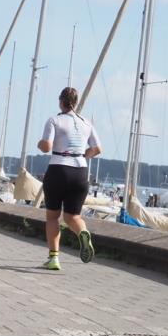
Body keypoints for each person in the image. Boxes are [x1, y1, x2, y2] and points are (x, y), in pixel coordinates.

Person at [36, 86, 102, 271]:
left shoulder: (54, 120)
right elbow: (97, 148)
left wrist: (40, 143)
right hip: (80, 171)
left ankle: (54, 258)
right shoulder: (86, 123)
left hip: (58, 169)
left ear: (60, 101)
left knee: (52, 217)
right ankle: (83, 232)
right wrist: (82, 155)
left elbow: (46, 146)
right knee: (73, 216)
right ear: (76, 102)